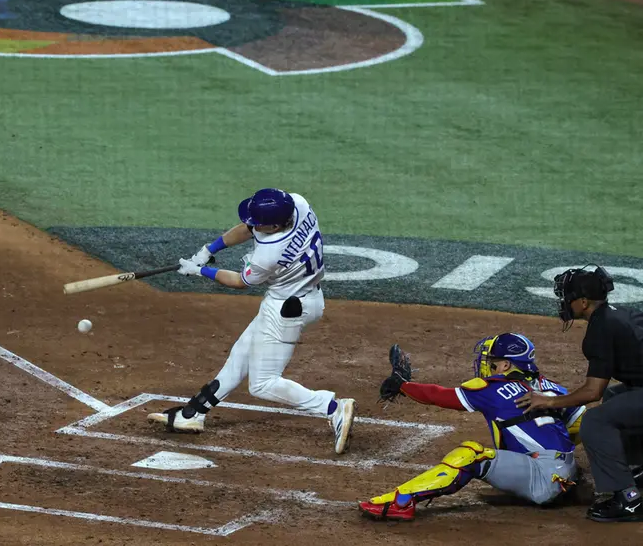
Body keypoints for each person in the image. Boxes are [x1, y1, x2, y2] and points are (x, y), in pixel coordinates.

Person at [147, 188, 357, 454]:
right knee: (242, 354)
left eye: (260, 223)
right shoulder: (298, 204)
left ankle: (332, 407)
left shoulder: (269, 254)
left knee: (262, 384)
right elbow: (248, 228)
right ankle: (193, 414)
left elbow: (239, 281)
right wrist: (208, 249)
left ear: (275, 225)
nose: (254, 224)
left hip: (286, 310)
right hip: (305, 296)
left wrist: (200, 270)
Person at [359, 333, 584, 521]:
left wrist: (402, 385)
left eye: (493, 363)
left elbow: (439, 396)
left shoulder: (493, 388)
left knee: (471, 455)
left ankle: (401, 502)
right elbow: (580, 426)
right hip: (567, 476)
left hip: (543, 481)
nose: (488, 367)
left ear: (506, 365)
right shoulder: (555, 389)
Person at [516, 266, 643, 522]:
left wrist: (549, 400)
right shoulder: (621, 314)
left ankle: (628, 499)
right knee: (615, 397)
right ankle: (637, 470)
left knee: (595, 421)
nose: (565, 302)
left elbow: (592, 391)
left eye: (568, 297)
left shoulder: (602, 328)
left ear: (583, 302)